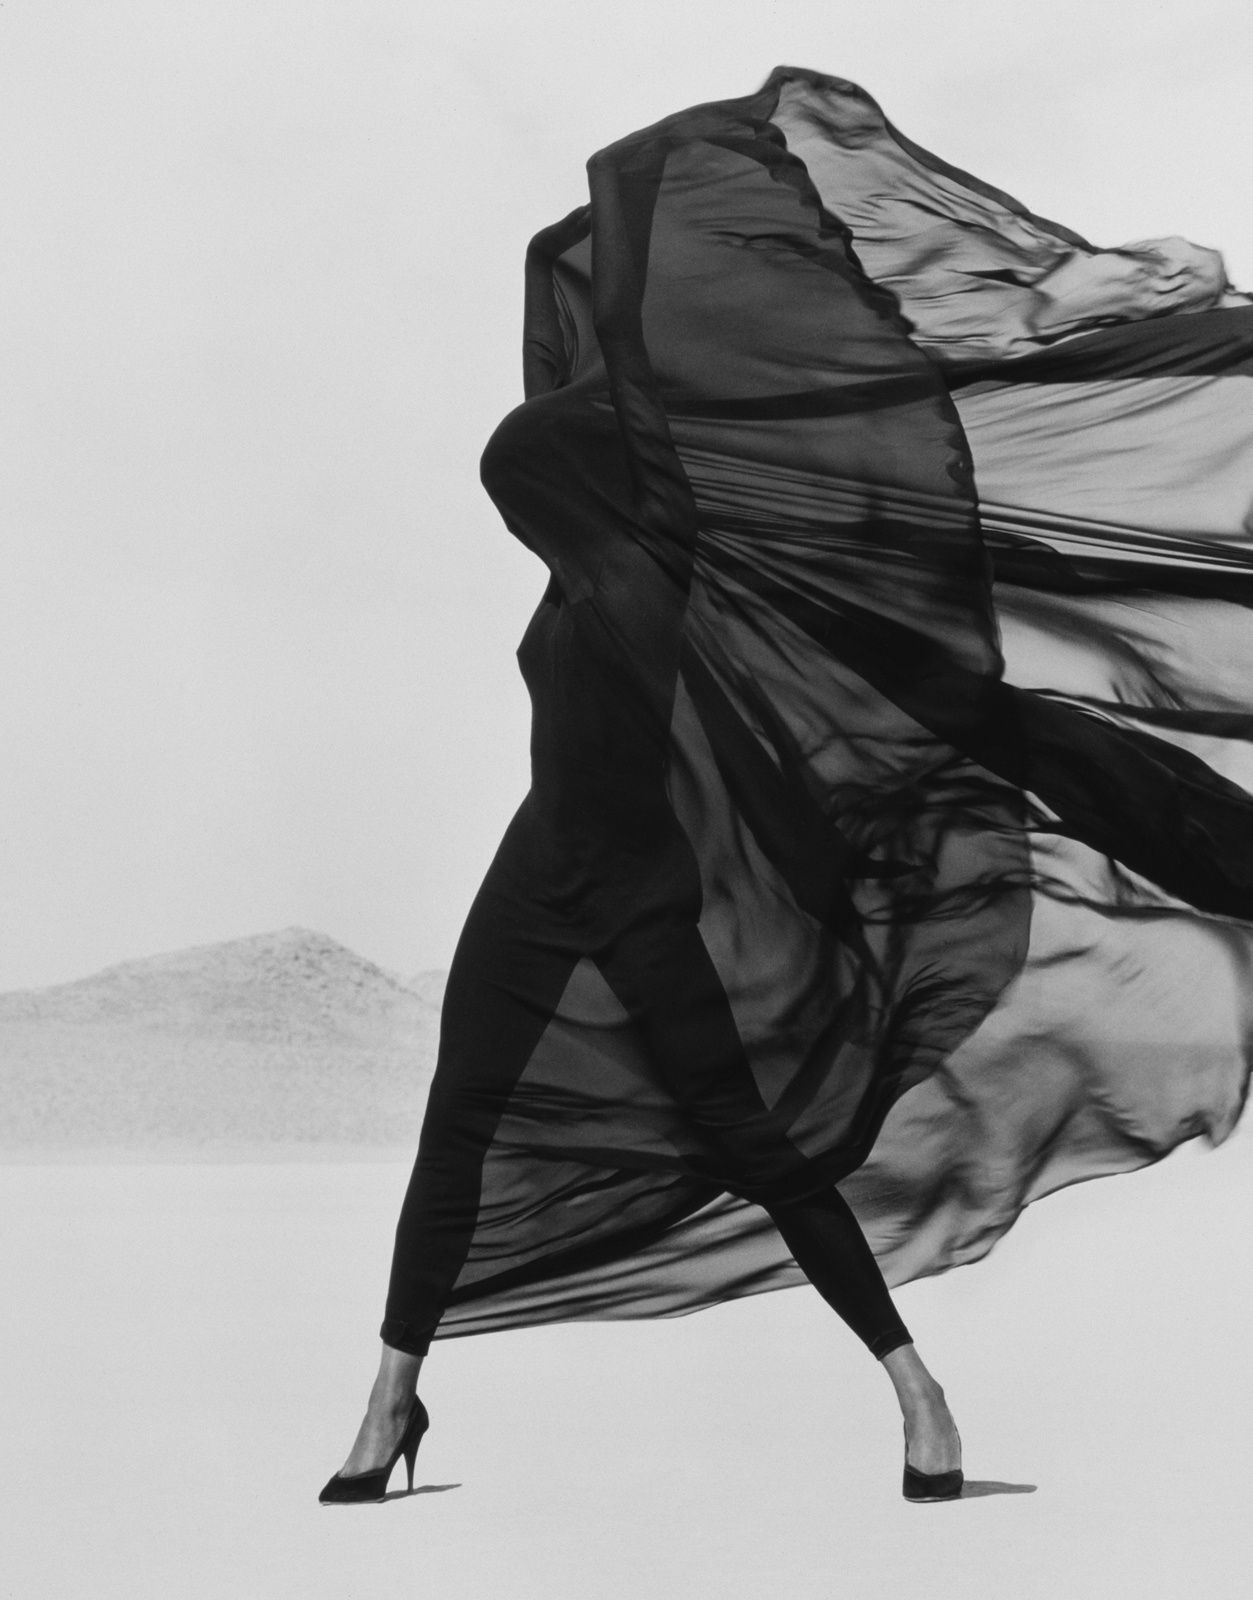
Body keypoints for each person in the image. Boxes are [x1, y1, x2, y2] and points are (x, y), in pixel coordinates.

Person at [320, 67, 1253, 1506]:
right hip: (535, 876)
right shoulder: (577, 587)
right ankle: (389, 1404)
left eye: (524, 490)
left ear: (571, 491)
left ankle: (915, 1390)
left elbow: (584, 432)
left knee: (755, 1141)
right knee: (458, 1123)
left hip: (641, 895)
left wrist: (636, 227)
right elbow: (570, 418)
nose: (508, 501)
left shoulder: (676, 578)